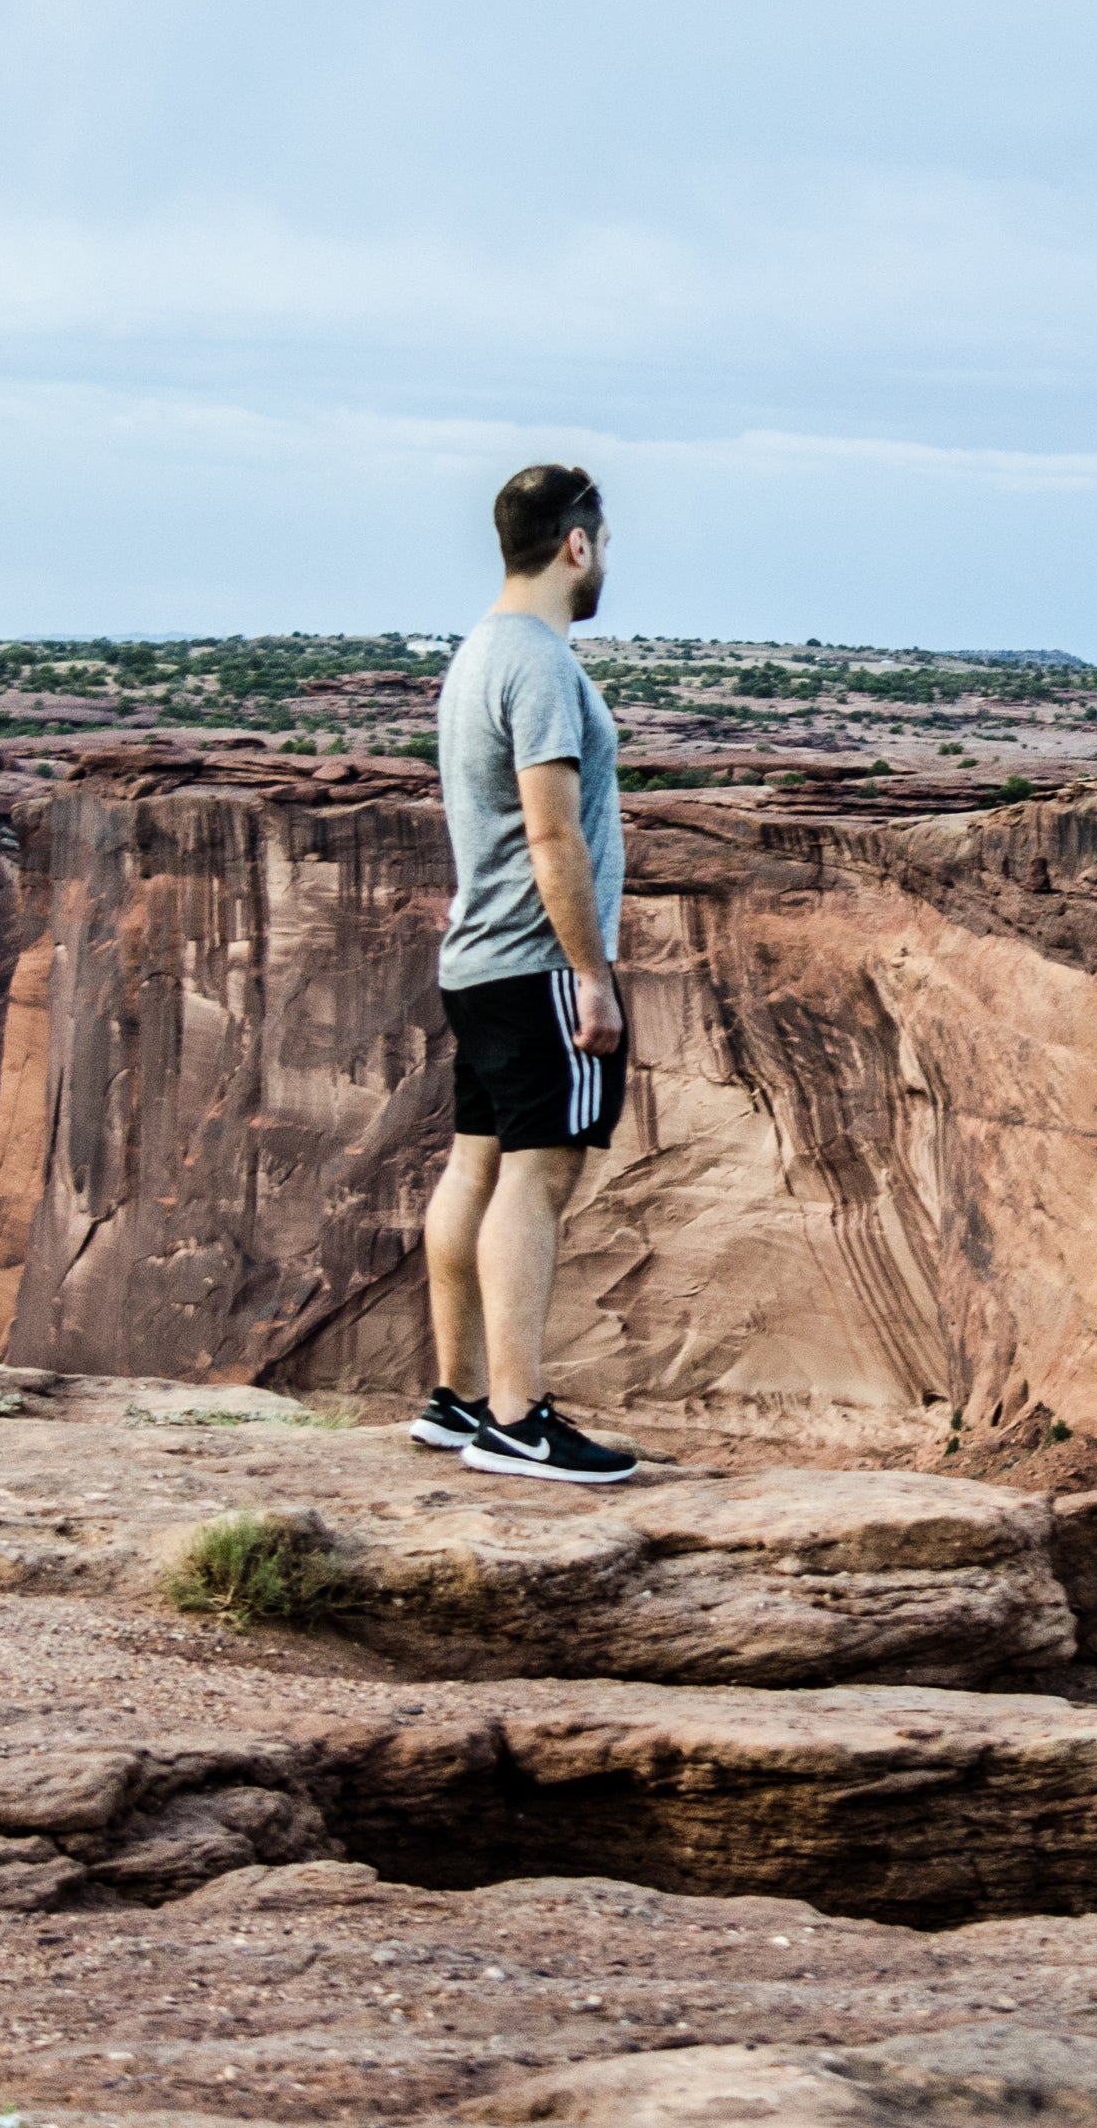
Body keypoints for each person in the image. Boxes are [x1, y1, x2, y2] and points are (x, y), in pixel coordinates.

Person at [406, 464, 643, 1484]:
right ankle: (516, 1419)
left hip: (478, 959)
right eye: (605, 544)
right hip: (537, 961)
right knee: (536, 1177)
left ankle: (457, 1400)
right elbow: (552, 833)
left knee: (474, 1164)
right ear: (575, 544)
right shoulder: (540, 664)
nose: (605, 561)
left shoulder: (478, 651)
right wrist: (590, 974)